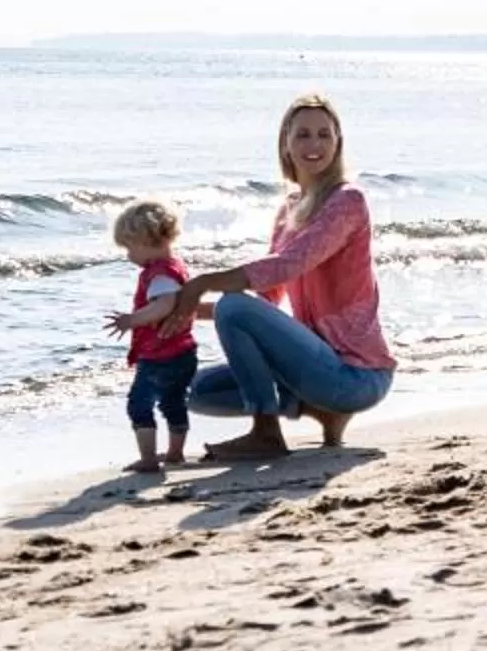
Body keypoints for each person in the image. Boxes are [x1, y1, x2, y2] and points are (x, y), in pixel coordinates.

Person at [161, 94, 394, 462]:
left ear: (338, 142)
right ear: (285, 142)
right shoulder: (290, 207)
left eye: (324, 134)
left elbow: (289, 264)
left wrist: (203, 281)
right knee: (190, 390)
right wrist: (181, 309)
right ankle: (322, 411)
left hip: (357, 375)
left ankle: (266, 432)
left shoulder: (348, 200)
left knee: (234, 303)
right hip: (313, 369)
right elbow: (269, 295)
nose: (314, 144)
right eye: (302, 135)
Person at [105, 197, 197, 473]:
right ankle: (175, 453)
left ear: (144, 241)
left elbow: (164, 304)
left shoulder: (159, 274)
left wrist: (132, 320)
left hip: (161, 355)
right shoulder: (175, 266)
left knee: (139, 405)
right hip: (183, 352)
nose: (128, 255)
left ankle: (148, 459)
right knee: (173, 403)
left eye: (129, 248)